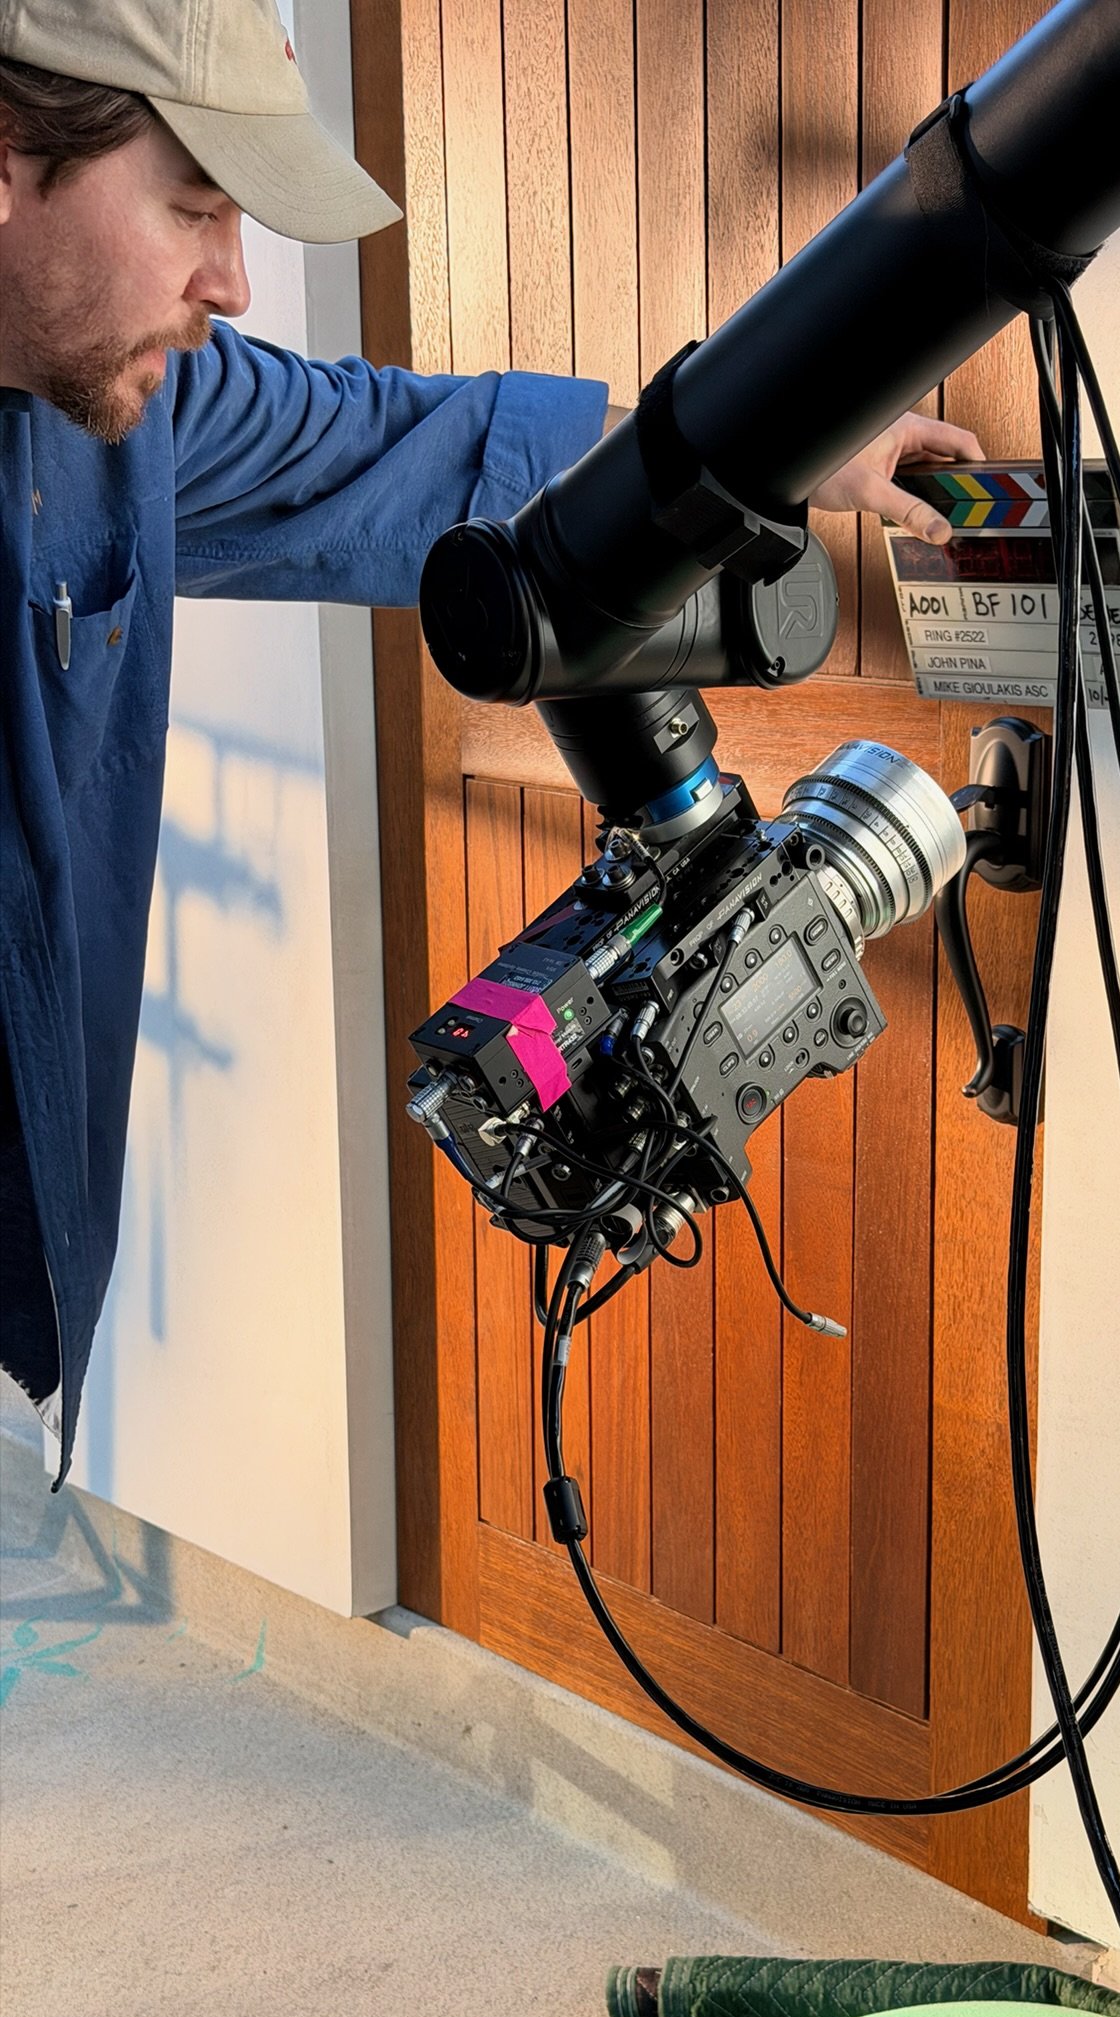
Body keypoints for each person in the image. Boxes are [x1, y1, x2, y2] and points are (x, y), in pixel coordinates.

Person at [0, 0, 983, 1484]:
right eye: (195, 206)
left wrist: (777, 441)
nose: (236, 281)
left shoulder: (124, 416)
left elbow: (411, 448)